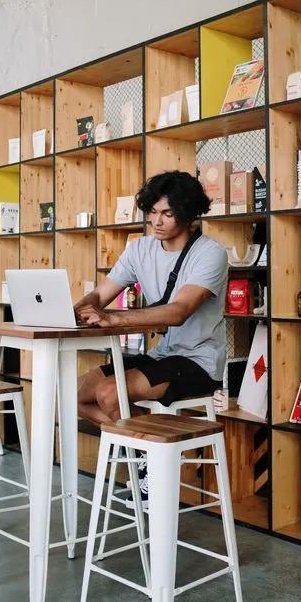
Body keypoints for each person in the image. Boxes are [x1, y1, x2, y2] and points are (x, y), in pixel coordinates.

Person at [76, 170, 228, 426]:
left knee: (108, 392)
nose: (157, 221)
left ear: (188, 214)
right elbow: (100, 294)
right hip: (162, 356)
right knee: (77, 393)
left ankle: (147, 452)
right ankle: (144, 445)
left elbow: (179, 311)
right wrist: (73, 310)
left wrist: (112, 319)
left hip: (199, 362)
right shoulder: (139, 248)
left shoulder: (210, 253)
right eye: (153, 212)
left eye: (167, 214)